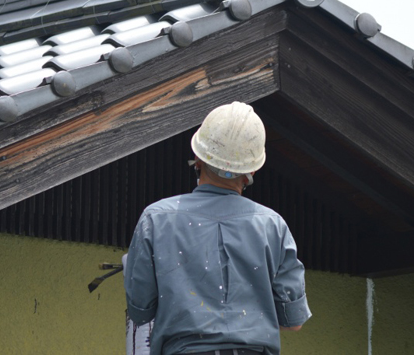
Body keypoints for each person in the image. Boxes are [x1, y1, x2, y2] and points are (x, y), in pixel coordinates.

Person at [124, 102, 311, 355]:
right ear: (252, 169)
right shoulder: (272, 226)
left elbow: (140, 311)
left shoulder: (156, 219)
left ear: (198, 158)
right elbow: (293, 321)